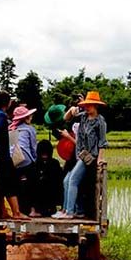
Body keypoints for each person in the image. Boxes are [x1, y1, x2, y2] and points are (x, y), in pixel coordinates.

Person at [53, 91, 108, 219]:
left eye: (90, 105)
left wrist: (99, 158)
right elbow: (66, 118)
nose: (87, 107)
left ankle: (69, 212)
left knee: (72, 180)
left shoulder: (100, 122)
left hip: (89, 156)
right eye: (86, 104)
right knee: (66, 180)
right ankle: (66, 209)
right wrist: (71, 110)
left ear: (96, 106)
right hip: (80, 155)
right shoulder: (83, 117)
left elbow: (102, 142)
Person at [0, 91, 27, 219]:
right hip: (1, 156)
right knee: (10, 185)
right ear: (7, 103)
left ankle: (3, 212)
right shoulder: (1, 116)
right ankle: (16, 213)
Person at [8, 105, 38, 214]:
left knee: (18, 186)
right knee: (32, 183)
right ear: (26, 118)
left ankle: (20, 210)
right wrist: (35, 160)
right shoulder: (30, 129)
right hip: (27, 160)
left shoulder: (12, 129)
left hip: (15, 162)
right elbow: (33, 148)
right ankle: (32, 209)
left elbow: (12, 147)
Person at [31, 139, 63, 217]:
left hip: (51, 192)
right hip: (41, 195)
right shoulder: (36, 164)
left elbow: (58, 180)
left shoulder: (54, 163)